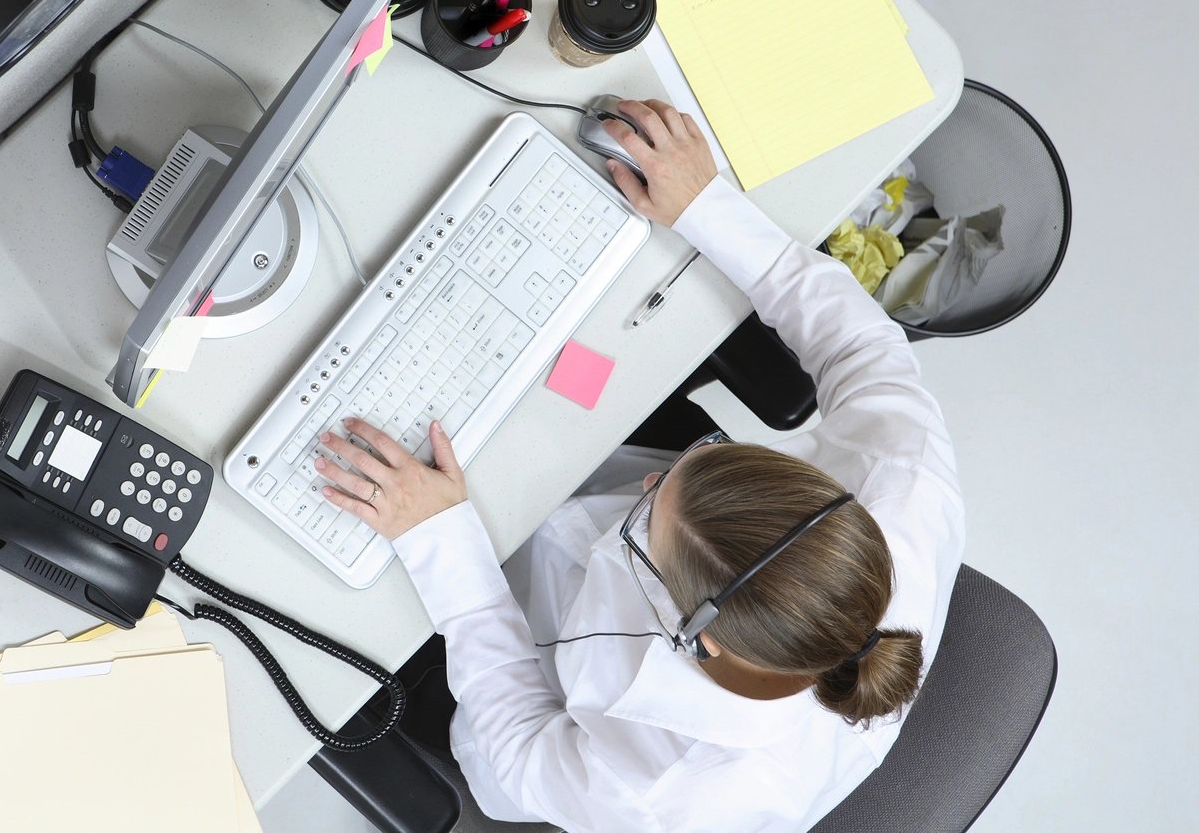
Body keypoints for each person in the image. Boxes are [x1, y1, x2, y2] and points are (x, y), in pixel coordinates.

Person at [316, 99, 966, 832]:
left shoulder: (676, 794)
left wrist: (447, 553)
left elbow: (511, 758)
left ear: (702, 635)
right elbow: (858, 347)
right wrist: (705, 205)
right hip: (557, 496)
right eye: (702, 466)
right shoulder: (903, 481)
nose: (653, 484)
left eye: (650, 521)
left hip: (513, 648)